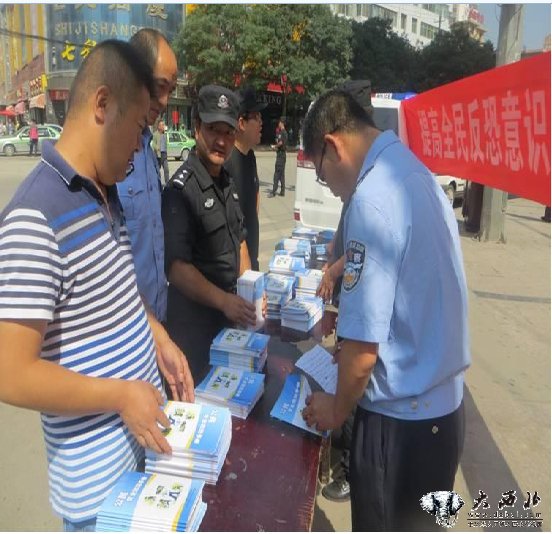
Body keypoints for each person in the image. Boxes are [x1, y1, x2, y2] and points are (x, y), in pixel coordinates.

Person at [0, 40, 193, 532]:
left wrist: (159, 338)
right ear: (102, 104)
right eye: (139, 128)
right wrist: (121, 396)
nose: (140, 146)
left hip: (141, 460)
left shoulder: (103, 194)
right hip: (99, 498)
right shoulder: (34, 217)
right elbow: (11, 374)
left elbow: (119, 295)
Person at [301, 89, 471, 531]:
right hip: (443, 418)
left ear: (332, 146)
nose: (330, 188)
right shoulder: (416, 174)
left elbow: (362, 355)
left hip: (400, 430)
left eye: (322, 174)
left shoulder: (371, 198)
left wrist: (335, 409)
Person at [162, 85, 257, 382]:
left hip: (229, 322)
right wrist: (225, 301)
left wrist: (251, 291)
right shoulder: (180, 191)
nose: (221, 141)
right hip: (195, 331)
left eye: (228, 132)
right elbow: (177, 269)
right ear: (197, 128)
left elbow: (239, 238)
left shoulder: (227, 181)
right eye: (213, 130)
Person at [117, 29, 176, 325]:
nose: (164, 100)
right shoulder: (110, 157)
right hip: (127, 329)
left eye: (171, 90)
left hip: (158, 321)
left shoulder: (147, 148)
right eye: (160, 86)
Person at [223, 86, 267, 271]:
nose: (261, 123)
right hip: (236, 267)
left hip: (251, 259)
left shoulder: (250, 156)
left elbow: (255, 197)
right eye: (257, 117)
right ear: (241, 123)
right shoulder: (226, 164)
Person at [269, 117, 287, 197]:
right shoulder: (281, 132)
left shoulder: (284, 133)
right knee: (281, 174)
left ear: (281, 123)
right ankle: (282, 191)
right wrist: (276, 147)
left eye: (279, 122)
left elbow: (281, 143)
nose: (278, 124)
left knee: (276, 174)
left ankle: (273, 191)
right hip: (280, 154)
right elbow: (279, 142)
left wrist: (275, 146)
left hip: (281, 156)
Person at [152, 119, 170, 185]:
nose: (163, 126)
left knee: (166, 169)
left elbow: (165, 144)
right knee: (157, 171)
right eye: (162, 125)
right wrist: (157, 148)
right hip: (158, 156)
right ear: (159, 126)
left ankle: (167, 183)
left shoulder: (164, 134)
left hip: (164, 155)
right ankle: (157, 183)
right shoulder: (155, 134)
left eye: (163, 125)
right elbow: (153, 144)